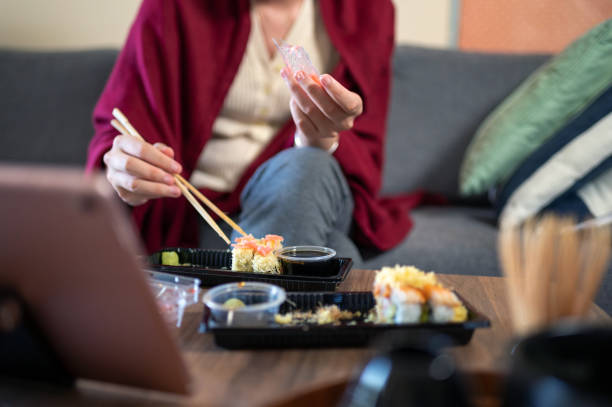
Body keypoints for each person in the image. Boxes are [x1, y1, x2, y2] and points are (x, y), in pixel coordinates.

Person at [87, 0, 424, 263]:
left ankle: (242, 312)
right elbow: (121, 126)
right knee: (337, 254)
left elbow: (366, 147)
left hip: (313, 188)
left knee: (307, 167)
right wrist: (123, 169)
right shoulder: (176, 7)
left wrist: (317, 141)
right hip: (203, 210)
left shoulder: (368, 11)